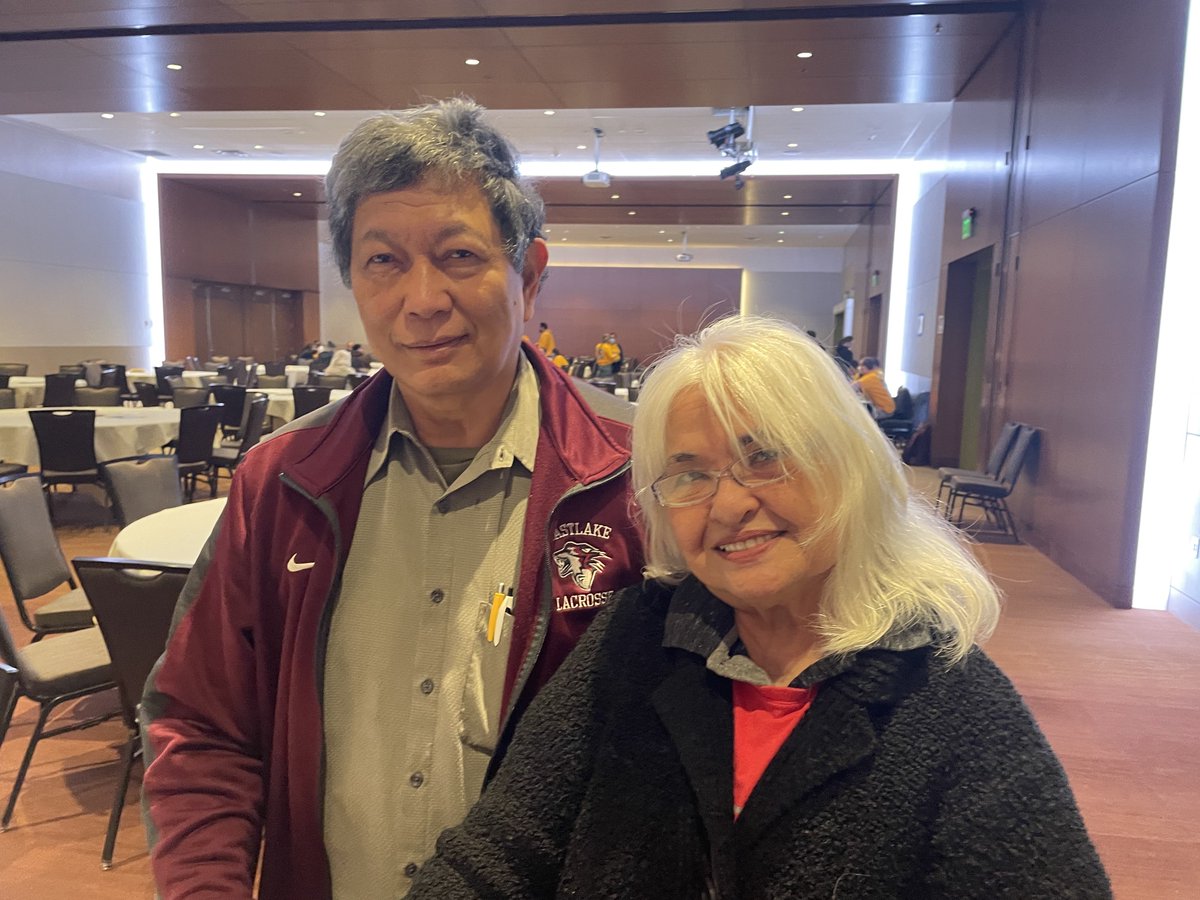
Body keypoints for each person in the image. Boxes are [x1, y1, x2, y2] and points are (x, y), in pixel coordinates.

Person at [410, 316, 1111, 899]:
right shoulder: (636, 637)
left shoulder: (952, 704)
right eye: (689, 473)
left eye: (766, 457)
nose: (731, 504)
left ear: (850, 466)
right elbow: (495, 856)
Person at [140, 98, 645, 900]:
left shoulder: (635, 477)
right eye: (383, 262)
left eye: (457, 256)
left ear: (531, 273)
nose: (421, 300)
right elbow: (202, 726)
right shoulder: (284, 481)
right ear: (353, 282)